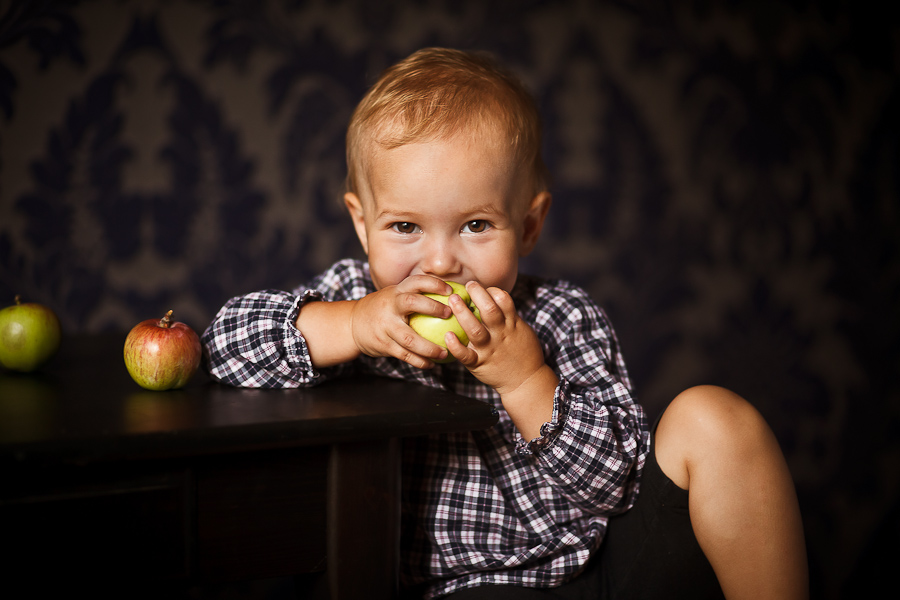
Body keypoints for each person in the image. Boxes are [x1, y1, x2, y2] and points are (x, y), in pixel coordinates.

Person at [202, 47, 808, 599]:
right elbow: (224, 348)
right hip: (460, 588)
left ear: (530, 224)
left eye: (476, 225)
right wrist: (355, 326)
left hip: (598, 571)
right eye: (405, 227)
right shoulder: (354, 300)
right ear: (363, 226)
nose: (440, 261)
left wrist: (526, 381)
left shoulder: (562, 315)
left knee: (716, 418)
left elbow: (619, 483)